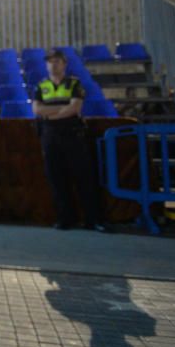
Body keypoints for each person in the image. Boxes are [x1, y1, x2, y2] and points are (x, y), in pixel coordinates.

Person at [33, 49, 109, 233]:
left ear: (64, 64)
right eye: (50, 61)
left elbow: (75, 108)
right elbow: (37, 109)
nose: (53, 64)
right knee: (56, 178)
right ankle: (65, 218)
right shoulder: (41, 86)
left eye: (57, 61)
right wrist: (61, 110)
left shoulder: (74, 83)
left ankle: (93, 219)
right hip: (50, 137)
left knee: (85, 178)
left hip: (72, 135)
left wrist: (51, 114)